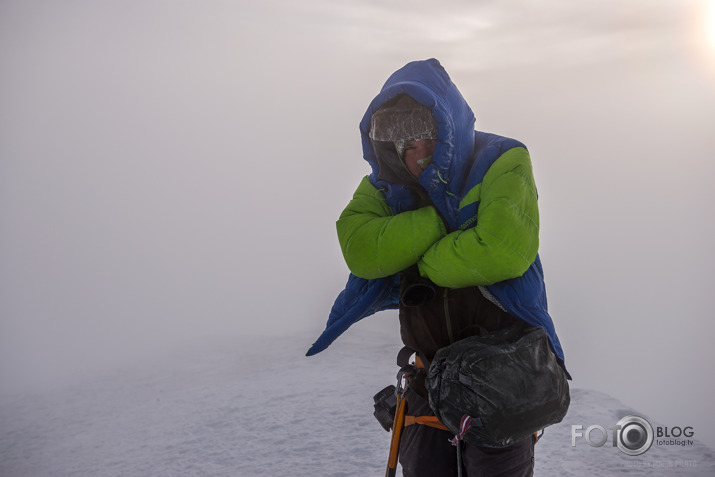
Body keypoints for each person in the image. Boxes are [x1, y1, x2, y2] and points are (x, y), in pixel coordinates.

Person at [307, 58, 568, 477]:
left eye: (428, 139)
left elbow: (500, 250)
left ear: (448, 129)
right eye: (407, 146)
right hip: (428, 378)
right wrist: (438, 223)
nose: (420, 156)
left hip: (505, 372)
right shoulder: (382, 185)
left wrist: (418, 256)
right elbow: (360, 248)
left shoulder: (503, 158)